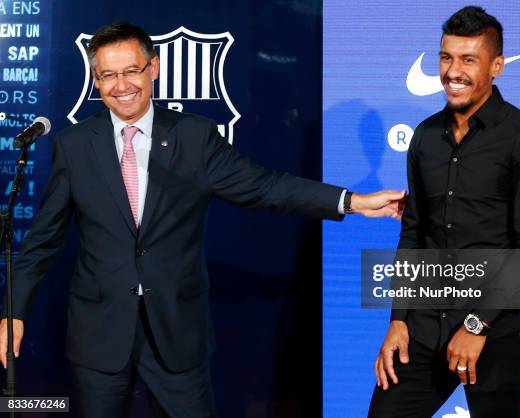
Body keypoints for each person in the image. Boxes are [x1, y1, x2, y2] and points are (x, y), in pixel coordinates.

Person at [0, 23, 405, 418]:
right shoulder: (74, 145)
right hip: (98, 333)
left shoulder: (194, 137)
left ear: (153, 69)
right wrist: (13, 310)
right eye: (108, 75)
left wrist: (351, 201)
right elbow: (42, 240)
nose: (121, 85)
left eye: (130, 71)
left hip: (177, 334)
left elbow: (266, 187)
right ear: (96, 79)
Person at [367, 6, 520, 418]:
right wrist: (398, 320)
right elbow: (414, 234)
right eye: (446, 57)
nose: (453, 71)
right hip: (421, 329)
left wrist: (476, 326)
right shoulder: (425, 137)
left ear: (497, 66)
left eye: (468, 60)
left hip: (495, 333)